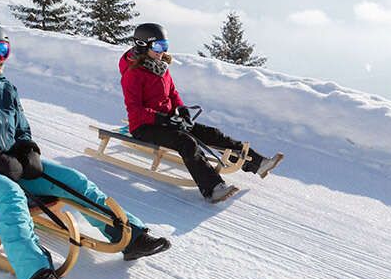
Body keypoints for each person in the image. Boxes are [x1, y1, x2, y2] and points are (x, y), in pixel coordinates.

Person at [0, 21, 170, 279]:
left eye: (4, 51)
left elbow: (21, 129)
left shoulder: (6, 87)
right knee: (10, 196)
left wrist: (27, 149)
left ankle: (129, 235)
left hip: (9, 163)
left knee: (72, 179)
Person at [119, 23, 284, 203]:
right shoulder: (133, 74)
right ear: (143, 45)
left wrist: (182, 111)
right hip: (144, 126)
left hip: (169, 120)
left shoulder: (160, 67)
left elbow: (172, 93)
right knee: (186, 142)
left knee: (212, 134)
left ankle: (258, 163)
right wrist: (164, 119)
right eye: (158, 46)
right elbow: (135, 109)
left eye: (165, 46)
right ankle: (212, 189)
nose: (162, 51)